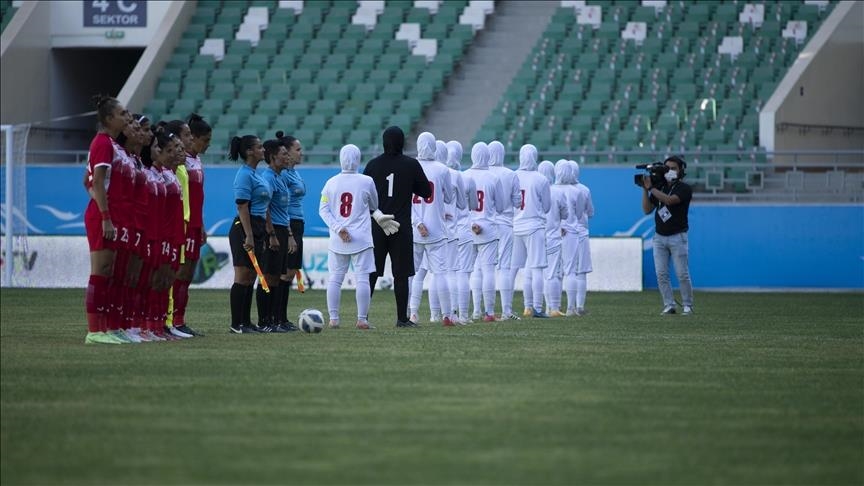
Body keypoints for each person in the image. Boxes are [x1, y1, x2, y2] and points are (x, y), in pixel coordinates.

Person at [363, 126, 431, 328]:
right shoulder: (411, 164)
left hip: (377, 225)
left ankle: (362, 317)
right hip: (401, 227)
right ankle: (402, 318)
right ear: (402, 142)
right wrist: (409, 184)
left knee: (371, 272)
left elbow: (364, 196)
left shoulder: (372, 165)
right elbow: (426, 192)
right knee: (401, 274)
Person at [83, 95, 130, 344]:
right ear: (110, 118)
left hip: (108, 215)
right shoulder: (102, 143)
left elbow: (87, 181)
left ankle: (106, 328)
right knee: (100, 271)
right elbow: (97, 182)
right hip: (102, 217)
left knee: (108, 271)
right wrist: (104, 216)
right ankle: (95, 331)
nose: (126, 117)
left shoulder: (109, 143)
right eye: (122, 114)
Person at [319, 144, 379, 330]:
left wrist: (339, 228)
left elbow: (323, 210)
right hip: (361, 238)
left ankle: (334, 319)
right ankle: (362, 320)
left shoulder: (331, 182)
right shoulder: (367, 181)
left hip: (338, 239)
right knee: (363, 278)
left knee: (335, 278)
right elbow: (374, 205)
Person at [166, 114, 212, 337]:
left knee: (188, 274)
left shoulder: (195, 160)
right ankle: (171, 320)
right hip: (181, 223)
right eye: (205, 140)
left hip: (194, 224)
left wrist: (200, 224)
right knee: (179, 273)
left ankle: (180, 320)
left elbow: (196, 197)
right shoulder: (178, 163)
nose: (208, 144)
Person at [408, 133, 455, 326]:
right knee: (440, 273)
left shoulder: (409, 166)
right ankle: (446, 315)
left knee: (411, 274)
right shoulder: (442, 169)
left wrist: (418, 222)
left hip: (414, 231)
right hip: (436, 229)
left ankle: (411, 313)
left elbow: (406, 200)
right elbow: (449, 197)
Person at [227, 135, 270, 334]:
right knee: (242, 275)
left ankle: (246, 321)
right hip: (245, 227)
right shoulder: (244, 175)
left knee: (251, 276)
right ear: (249, 151)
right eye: (259, 147)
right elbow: (242, 206)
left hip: (258, 226)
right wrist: (249, 234)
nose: (263, 150)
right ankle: (237, 323)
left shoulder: (255, 174)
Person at [641, 155, 694, 315]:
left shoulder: (684, 188)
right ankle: (669, 304)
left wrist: (651, 188)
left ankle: (687, 305)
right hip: (659, 237)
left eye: (673, 168)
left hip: (678, 236)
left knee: (682, 273)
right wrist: (645, 189)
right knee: (661, 274)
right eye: (667, 168)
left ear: (681, 170)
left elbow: (670, 201)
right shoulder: (660, 187)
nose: (670, 171)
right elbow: (647, 209)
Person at [461, 142, 506, 322]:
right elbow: (501, 207)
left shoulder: (463, 175)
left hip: (466, 228)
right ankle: (489, 313)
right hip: (488, 228)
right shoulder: (493, 178)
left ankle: (467, 312)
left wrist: (472, 222)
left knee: (466, 272)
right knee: (488, 272)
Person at [259, 138, 297, 332]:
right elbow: (264, 207)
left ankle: (274, 320)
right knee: (267, 277)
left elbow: (284, 210)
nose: (287, 157)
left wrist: (289, 234)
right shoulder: (267, 178)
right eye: (284, 154)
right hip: (272, 230)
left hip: (282, 229)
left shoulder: (280, 177)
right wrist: (271, 233)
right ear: (273, 157)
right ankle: (264, 320)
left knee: (276, 277)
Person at [511, 144, 551, 318]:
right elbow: (547, 207)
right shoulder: (541, 179)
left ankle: (511, 307)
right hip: (534, 227)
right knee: (536, 269)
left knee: (512, 269)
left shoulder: (512, 176)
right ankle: (537, 307)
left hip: (515, 226)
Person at [485, 140, 522, 320]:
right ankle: (506, 310)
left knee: (483, 269)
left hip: (486, 225)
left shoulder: (482, 173)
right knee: (504, 267)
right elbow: (517, 202)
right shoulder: (510, 174)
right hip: (506, 224)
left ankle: (481, 310)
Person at [446, 140, 478, 324]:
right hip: (464, 229)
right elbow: (473, 204)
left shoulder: (439, 176)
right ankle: (464, 315)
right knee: (463, 273)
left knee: (448, 273)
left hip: (447, 231)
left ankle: (444, 313)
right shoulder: (466, 178)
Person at [276, 132, 304, 327]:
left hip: (297, 222)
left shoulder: (294, 172)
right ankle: (277, 317)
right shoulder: (284, 174)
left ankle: (282, 317)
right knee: (284, 273)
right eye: (298, 149)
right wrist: (289, 233)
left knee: (291, 272)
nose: (301, 153)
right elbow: (282, 205)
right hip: (289, 224)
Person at [537, 160, 568, 317]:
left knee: (538, 274)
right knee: (553, 274)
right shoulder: (557, 192)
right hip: (553, 238)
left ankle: (533, 306)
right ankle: (553, 307)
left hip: (536, 237)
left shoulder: (533, 189)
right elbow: (565, 214)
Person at [569, 161, 594, 316]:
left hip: (563, 234)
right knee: (581, 272)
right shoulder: (584, 190)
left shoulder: (555, 189)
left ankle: (555, 306)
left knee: (558, 272)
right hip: (581, 233)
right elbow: (590, 212)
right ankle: (579, 306)